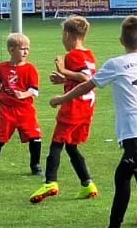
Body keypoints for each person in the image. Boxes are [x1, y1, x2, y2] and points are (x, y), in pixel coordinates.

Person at [49, 16, 137, 228]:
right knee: (122, 177)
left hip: (135, 132)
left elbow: (86, 85)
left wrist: (61, 99)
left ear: (121, 41)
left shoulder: (117, 64)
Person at [30, 16, 100, 202]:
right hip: (87, 107)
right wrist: (65, 79)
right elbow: (85, 77)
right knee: (71, 146)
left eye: (63, 35)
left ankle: (50, 182)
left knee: (57, 143)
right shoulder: (89, 54)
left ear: (68, 35)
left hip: (74, 107)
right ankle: (87, 184)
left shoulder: (72, 56)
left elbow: (85, 79)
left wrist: (63, 71)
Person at [0, 33, 42, 177]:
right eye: (22, 49)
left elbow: (34, 90)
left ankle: (36, 166)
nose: (26, 52)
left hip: (25, 110)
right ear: (11, 50)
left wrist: (23, 94)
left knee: (35, 136)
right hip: (6, 110)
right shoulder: (2, 67)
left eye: (27, 49)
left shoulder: (30, 69)